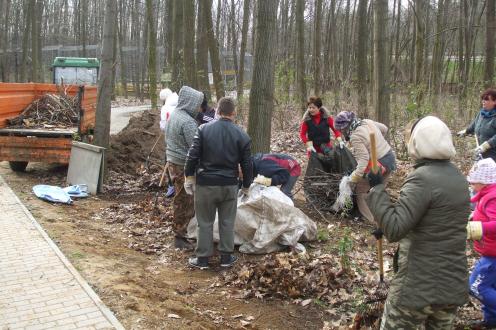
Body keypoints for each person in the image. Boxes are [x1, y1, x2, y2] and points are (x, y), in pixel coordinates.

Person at [366, 116, 469, 329]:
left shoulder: (422, 178)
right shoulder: (458, 178)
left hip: (418, 286)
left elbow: (395, 229)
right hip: (451, 286)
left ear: (418, 143)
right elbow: (433, 221)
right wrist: (384, 222)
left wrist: (376, 189)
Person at [184, 97, 253, 269]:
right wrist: (246, 185)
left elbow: (192, 156)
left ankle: (202, 260)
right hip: (229, 184)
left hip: (206, 184)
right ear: (233, 113)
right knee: (227, 222)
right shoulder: (242, 135)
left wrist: (189, 176)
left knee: (205, 222)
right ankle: (226, 258)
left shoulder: (203, 130)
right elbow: (247, 164)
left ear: (217, 111)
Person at [333, 111, 396, 223]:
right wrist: (377, 143)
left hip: (378, 164)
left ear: (345, 127)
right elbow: (384, 128)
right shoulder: (366, 122)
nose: (341, 132)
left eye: (341, 130)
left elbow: (363, 160)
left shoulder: (355, 136)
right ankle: (387, 218)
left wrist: (353, 178)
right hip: (390, 158)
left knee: (360, 190)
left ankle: (374, 221)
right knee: (379, 190)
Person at [164, 86, 204, 250]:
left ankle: (183, 232)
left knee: (181, 199)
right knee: (184, 201)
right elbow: (196, 146)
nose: (199, 108)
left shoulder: (175, 115)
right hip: (183, 164)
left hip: (173, 161)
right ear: (190, 103)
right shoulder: (187, 122)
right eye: (197, 104)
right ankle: (180, 236)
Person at [466, 158, 496, 328]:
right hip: (491, 251)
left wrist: (477, 228)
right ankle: (492, 320)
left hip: (493, 255)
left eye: (474, 182)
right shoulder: (486, 194)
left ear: (484, 182)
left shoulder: (493, 197)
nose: (471, 185)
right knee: (491, 285)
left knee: (477, 286)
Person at [458, 89, 496, 160]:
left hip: (493, 156)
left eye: (487, 99)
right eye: (483, 99)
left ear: (494, 101)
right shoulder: (481, 114)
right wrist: (465, 131)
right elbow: (473, 126)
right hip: (481, 154)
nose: (483, 101)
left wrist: (486, 145)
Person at [159, 88, 179, 198]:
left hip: (170, 139)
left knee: (167, 161)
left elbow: (163, 126)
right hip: (181, 139)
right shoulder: (180, 103)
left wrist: (164, 126)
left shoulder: (165, 108)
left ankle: (171, 185)